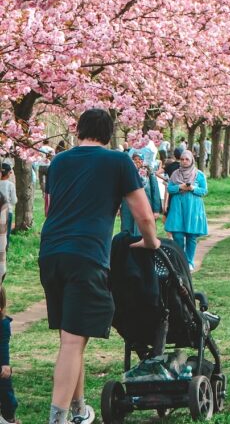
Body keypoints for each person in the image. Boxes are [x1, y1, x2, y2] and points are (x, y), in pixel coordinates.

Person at [39, 108, 159, 424]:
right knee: (73, 341)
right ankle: (57, 418)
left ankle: (79, 410)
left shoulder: (59, 161)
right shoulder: (118, 161)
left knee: (71, 339)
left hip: (51, 253)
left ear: (78, 131)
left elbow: (51, 206)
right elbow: (144, 215)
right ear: (109, 134)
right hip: (86, 254)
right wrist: (151, 242)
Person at [164, 150, 208, 271]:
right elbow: (170, 188)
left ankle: (189, 261)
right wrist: (179, 187)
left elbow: (204, 191)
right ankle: (180, 260)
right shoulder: (175, 174)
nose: (184, 161)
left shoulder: (199, 174)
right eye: (182, 159)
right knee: (177, 235)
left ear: (191, 160)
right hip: (178, 208)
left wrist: (193, 188)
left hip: (193, 208)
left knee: (191, 236)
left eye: (186, 159)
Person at [120, 153, 162, 236]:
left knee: (142, 230)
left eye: (139, 159)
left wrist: (156, 210)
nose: (137, 161)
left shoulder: (150, 174)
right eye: (135, 159)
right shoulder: (126, 173)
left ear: (143, 161)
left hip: (144, 205)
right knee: (127, 229)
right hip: (128, 206)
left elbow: (155, 191)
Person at [0, 285, 18, 424]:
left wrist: (5, 364)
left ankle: (9, 417)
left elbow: (3, 344)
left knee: (5, 390)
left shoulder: (3, 324)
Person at [0, 167, 16, 251]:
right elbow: (14, 201)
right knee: (6, 233)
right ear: (9, 173)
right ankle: (5, 250)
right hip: (7, 211)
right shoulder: (10, 185)